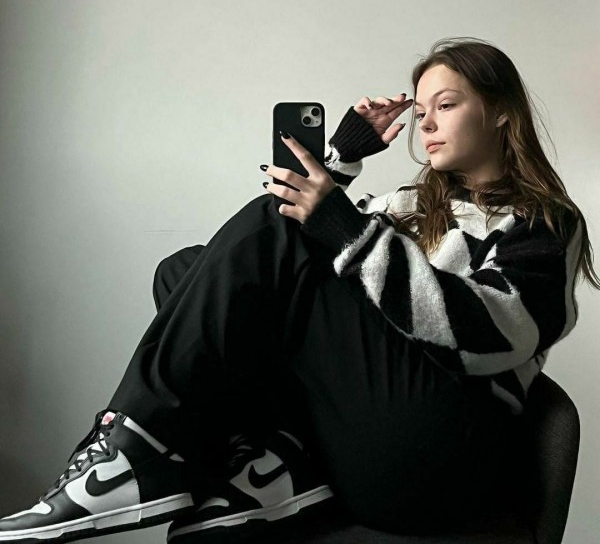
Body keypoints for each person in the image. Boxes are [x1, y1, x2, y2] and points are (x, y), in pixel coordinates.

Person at [0, 36, 597, 544]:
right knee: (184, 270)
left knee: (277, 227)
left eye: (446, 105)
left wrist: (340, 222)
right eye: (420, 113)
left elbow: (493, 335)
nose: (427, 125)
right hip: (363, 433)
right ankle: (273, 463)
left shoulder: (544, 221)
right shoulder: (408, 206)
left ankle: (138, 451)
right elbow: (285, 252)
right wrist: (344, 157)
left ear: (500, 112)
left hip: (440, 456)